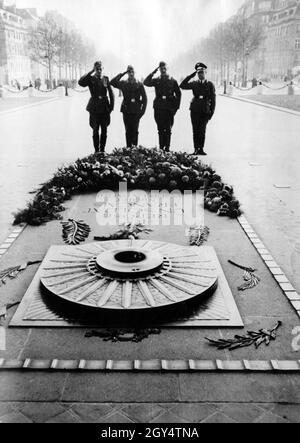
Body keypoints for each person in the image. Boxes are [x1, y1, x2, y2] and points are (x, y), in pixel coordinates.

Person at [144, 61, 181, 152]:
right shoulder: (157, 80)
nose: (163, 70)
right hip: (158, 107)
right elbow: (146, 82)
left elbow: (178, 94)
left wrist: (176, 108)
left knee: (168, 129)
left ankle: (167, 148)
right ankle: (161, 148)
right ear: (159, 70)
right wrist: (153, 72)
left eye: (164, 68)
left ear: (167, 69)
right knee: (160, 128)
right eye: (161, 69)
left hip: (169, 108)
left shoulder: (172, 80)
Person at [180, 62, 216, 156]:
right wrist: (191, 75)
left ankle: (201, 149)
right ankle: (196, 148)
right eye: (199, 73)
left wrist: (211, 113)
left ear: (205, 73)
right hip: (195, 109)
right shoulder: (194, 83)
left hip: (205, 110)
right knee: (195, 130)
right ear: (197, 74)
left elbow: (213, 100)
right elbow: (182, 85)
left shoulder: (210, 84)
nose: (201, 75)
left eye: (202, 72)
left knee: (202, 130)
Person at [78, 61, 115, 153]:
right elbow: (81, 83)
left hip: (104, 108)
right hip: (94, 107)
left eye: (100, 69)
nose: (99, 70)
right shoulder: (90, 79)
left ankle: (102, 150)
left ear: (102, 69)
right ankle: (96, 150)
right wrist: (90, 72)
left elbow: (111, 93)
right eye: (97, 69)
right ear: (95, 69)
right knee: (95, 130)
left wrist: (111, 106)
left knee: (104, 130)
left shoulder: (105, 79)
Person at [111, 65, 147, 147]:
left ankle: (134, 148)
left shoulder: (139, 84)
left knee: (135, 130)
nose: (131, 73)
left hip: (136, 110)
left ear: (134, 72)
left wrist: (142, 111)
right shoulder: (123, 83)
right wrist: (122, 73)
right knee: (128, 130)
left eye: (132, 72)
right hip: (126, 110)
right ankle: (128, 148)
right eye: (129, 72)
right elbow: (112, 82)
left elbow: (145, 99)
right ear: (127, 73)